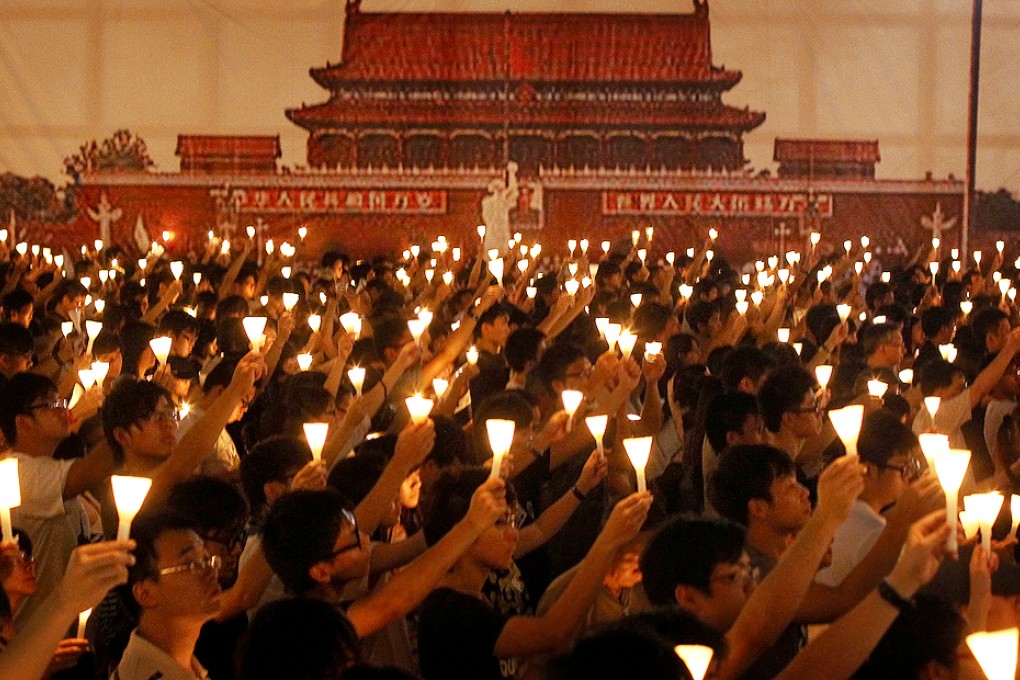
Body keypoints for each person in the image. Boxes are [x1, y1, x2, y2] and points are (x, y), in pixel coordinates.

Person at [417, 469, 651, 680]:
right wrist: (608, 542)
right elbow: (554, 632)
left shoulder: (477, 596)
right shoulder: (449, 612)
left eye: (512, 522)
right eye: (500, 523)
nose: (513, 534)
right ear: (462, 529)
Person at [114, 512, 222, 680]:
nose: (211, 572)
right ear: (145, 593)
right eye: (192, 564)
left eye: (207, 559)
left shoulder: (185, 666)